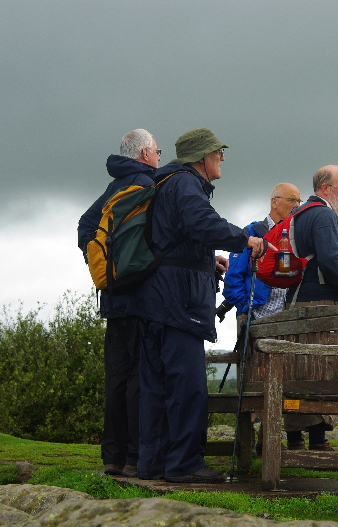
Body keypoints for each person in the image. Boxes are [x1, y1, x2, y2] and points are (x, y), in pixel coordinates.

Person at [126, 128, 269, 484]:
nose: (221, 158)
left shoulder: (165, 183)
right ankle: (185, 464)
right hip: (179, 303)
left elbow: (177, 236)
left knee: (156, 384)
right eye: (217, 152)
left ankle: (152, 464)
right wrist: (245, 238)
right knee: (187, 384)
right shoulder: (185, 183)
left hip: (155, 298)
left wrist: (208, 261)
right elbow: (201, 222)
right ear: (201, 157)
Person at [76, 128, 162, 477]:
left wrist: (109, 271)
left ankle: (112, 457)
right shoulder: (144, 185)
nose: (159, 156)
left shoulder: (114, 188)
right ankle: (133, 457)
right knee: (139, 379)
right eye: (157, 150)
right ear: (144, 154)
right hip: (141, 296)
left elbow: (85, 227)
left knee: (116, 377)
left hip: (114, 297)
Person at [285, 165, 338, 450]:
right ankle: (318, 441)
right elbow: (331, 260)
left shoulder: (299, 213)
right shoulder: (324, 215)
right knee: (323, 367)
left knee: (298, 369)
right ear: (325, 189)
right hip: (320, 303)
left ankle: (294, 437)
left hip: (296, 300)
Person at [221, 183, 303, 452]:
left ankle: (280, 436)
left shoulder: (296, 235)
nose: (297, 205)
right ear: (274, 201)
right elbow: (232, 279)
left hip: (287, 317)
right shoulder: (253, 233)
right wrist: (247, 309)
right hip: (258, 317)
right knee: (257, 380)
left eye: (299, 200)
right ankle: (259, 439)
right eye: (292, 200)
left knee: (287, 378)